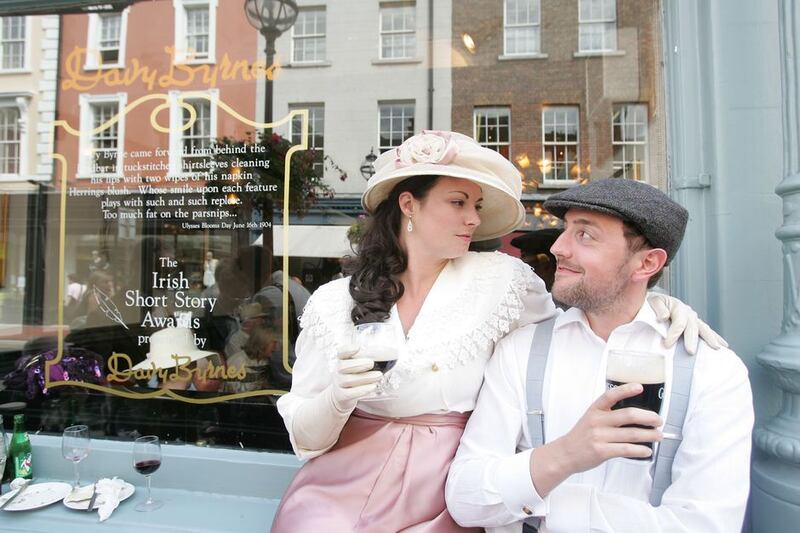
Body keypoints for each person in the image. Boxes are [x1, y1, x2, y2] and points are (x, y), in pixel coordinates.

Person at [271, 132, 722, 532]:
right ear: (409, 204)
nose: (472, 218)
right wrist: (335, 399)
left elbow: (576, 329)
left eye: (477, 206)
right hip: (337, 489)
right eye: (457, 202)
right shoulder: (333, 303)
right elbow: (305, 440)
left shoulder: (501, 280)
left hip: (446, 494)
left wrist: (654, 305)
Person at [445, 178, 753, 532]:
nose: (558, 247)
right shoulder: (521, 350)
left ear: (647, 263)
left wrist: (552, 508)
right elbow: (466, 500)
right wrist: (566, 455)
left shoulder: (712, 370)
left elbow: (706, 524)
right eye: (565, 230)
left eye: (585, 235)